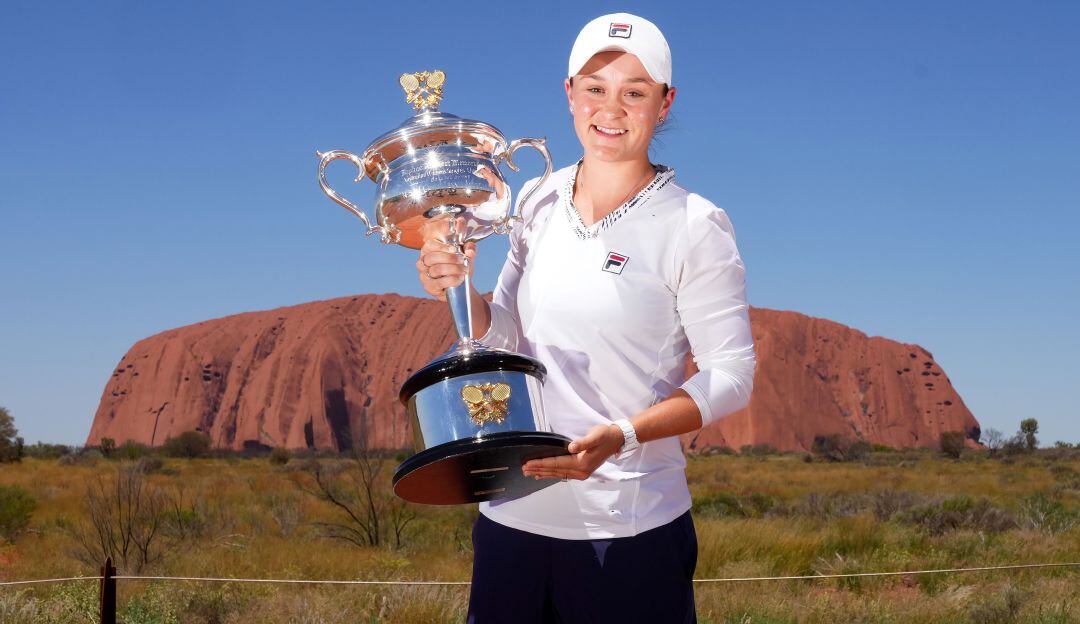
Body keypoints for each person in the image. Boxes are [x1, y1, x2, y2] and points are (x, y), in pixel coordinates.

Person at [416, 13, 756, 623]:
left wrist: (620, 435)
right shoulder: (536, 199)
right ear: (569, 93)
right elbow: (505, 336)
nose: (611, 109)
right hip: (511, 515)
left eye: (634, 92)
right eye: (595, 89)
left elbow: (731, 375)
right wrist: (458, 286)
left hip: (628, 528)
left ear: (665, 102)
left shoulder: (696, 226)